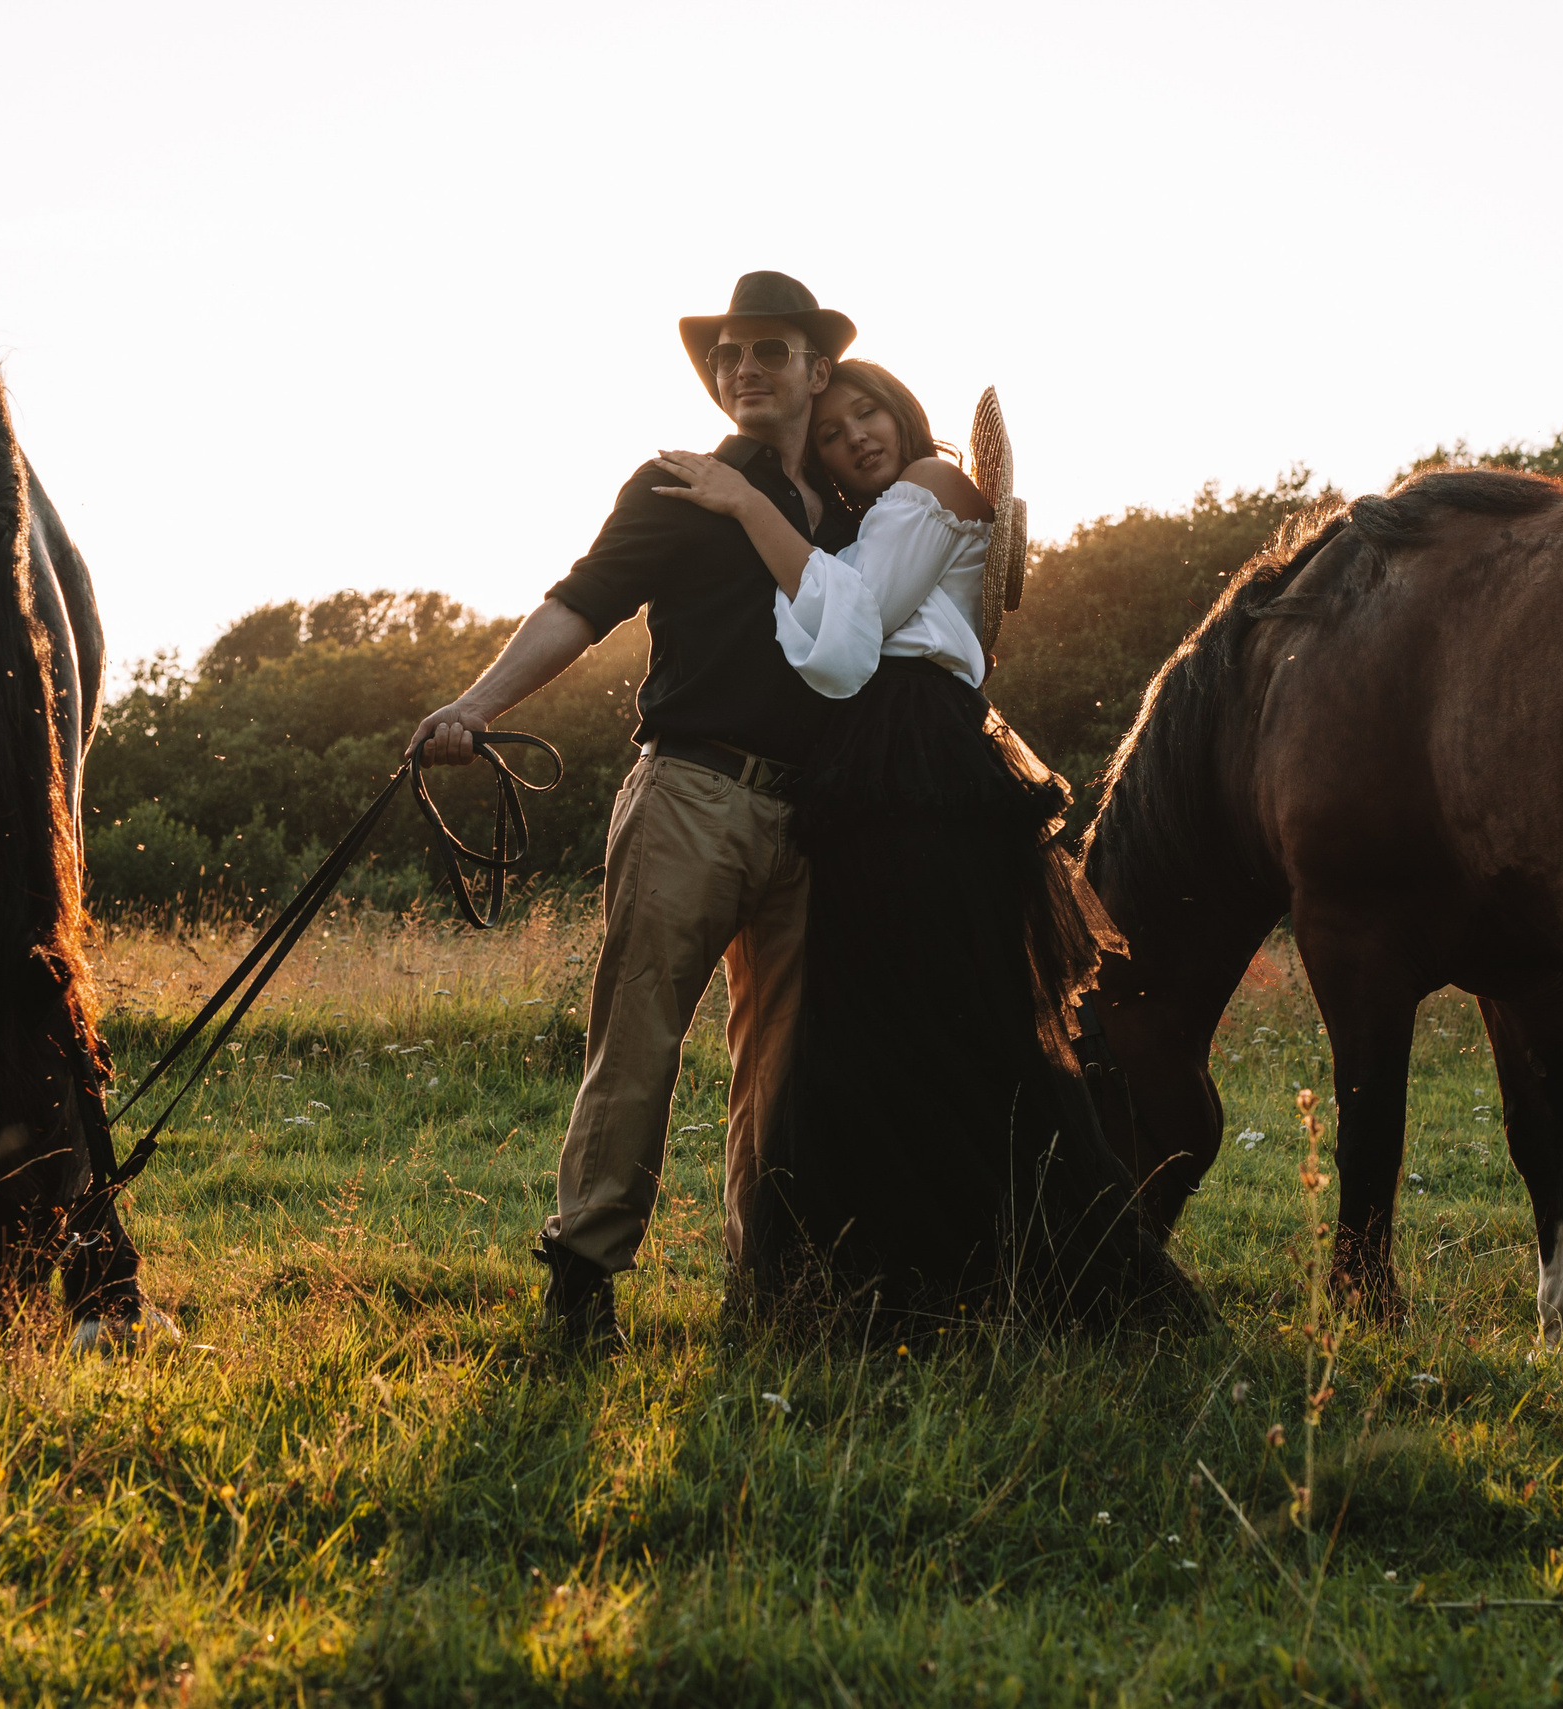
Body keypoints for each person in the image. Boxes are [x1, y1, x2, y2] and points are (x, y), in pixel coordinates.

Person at [648, 363, 1191, 1325]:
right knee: (874, 1017)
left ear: (906, 411)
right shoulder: (872, 516)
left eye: (871, 412)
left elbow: (850, 639)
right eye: (831, 431)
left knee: (943, 1015)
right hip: (876, 759)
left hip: (918, 756)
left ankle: (1019, 1271)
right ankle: (899, 1277)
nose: (855, 434)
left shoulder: (933, 486)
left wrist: (740, 501)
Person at [408, 272, 859, 1351]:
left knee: (786, 1059)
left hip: (810, 818)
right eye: (728, 356)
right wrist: (474, 704)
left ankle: (768, 1287)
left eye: (768, 352)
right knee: (641, 1036)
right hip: (690, 792)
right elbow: (583, 599)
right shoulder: (674, 483)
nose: (743, 369)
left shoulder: (851, 510)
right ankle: (582, 1278)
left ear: (817, 370)